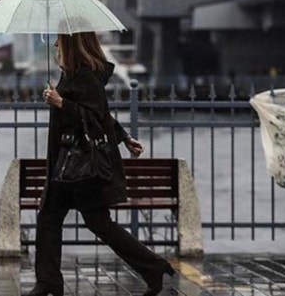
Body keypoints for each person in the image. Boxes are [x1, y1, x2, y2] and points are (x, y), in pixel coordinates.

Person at [24, 32, 175, 296]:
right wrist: (124, 137)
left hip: (80, 165)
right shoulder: (72, 74)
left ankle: (153, 267)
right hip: (67, 163)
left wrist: (61, 103)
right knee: (49, 217)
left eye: (60, 39)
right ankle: (48, 280)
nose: (56, 44)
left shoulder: (85, 76)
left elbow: (94, 118)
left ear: (72, 43)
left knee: (98, 223)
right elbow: (102, 115)